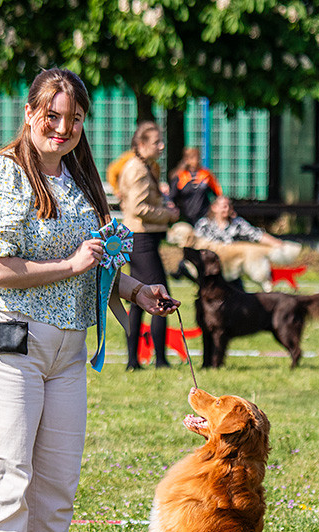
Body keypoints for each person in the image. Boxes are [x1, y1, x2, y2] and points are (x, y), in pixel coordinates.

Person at [0, 68, 178, 532]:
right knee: (8, 477)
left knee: (56, 484)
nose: (62, 128)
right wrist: (71, 266)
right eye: (52, 116)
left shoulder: (79, 182)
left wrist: (133, 291)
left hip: (68, 347)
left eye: (74, 118)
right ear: (30, 113)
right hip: (8, 337)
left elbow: (95, 259)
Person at [117, 121, 180, 370]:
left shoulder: (142, 166)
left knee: (137, 297)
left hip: (140, 237)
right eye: (156, 142)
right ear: (141, 144)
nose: (161, 146)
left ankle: (134, 360)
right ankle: (160, 360)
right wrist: (167, 213)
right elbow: (138, 208)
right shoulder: (138, 169)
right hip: (141, 237)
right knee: (159, 294)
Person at [193, 195, 283, 248]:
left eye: (229, 206)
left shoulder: (237, 223)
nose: (227, 209)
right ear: (214, 208)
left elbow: (257, 235)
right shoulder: (203, 224)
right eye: (224, 206)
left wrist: (279, 244)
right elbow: (195, 243)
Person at [169, 147, 223, 224]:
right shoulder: (180, 176)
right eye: (192, 157)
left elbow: (218, 194)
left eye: (198, 157)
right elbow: (172, 197)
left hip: (204, 217)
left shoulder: (206, 175)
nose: (196, 160)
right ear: (186, 159)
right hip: (185, 217)